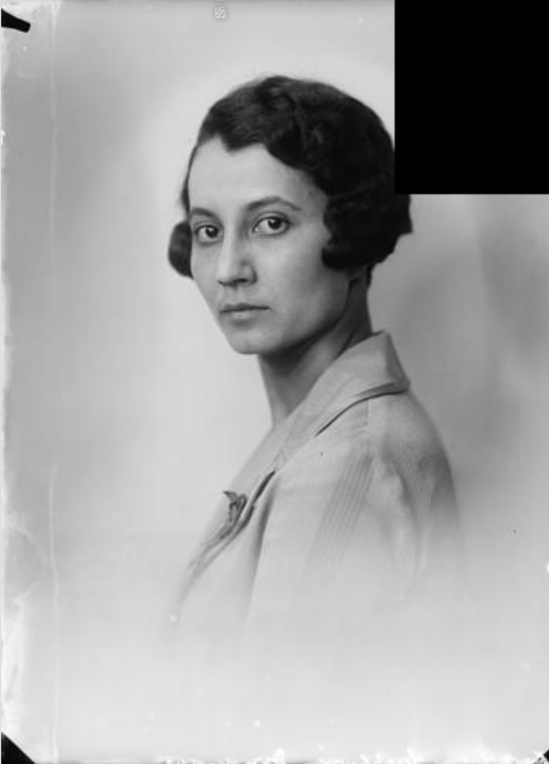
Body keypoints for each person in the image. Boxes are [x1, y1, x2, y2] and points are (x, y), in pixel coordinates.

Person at [166, 75, 462, 759]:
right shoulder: (319, 436)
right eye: (208, 230)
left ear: (356, 235)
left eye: (270, 223)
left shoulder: (344, 461)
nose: (229, 268)